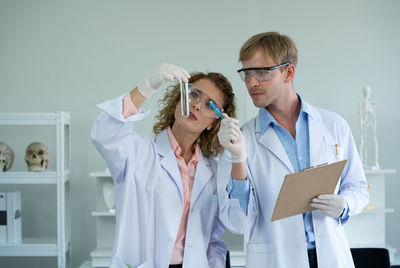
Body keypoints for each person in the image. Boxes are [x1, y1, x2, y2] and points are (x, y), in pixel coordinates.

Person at [216, 32, 369, 268]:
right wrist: (239, 159)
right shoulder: (241, 139)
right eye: (246, 73)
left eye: (262, 72)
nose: (251, 82)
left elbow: (358, 187)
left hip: (330, 256)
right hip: (276, 259)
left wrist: (344, 205)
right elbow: (238, 223)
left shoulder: (333, 125)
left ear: (288, 72)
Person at [91, 63, 236, 268]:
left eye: (209, 105)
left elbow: (211, 239)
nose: (196, 105)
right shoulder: (138, 153)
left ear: (214, 122)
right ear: (179, 99)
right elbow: (104, 134)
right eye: (194, 95)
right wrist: (147, 86)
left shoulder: (213, 171)